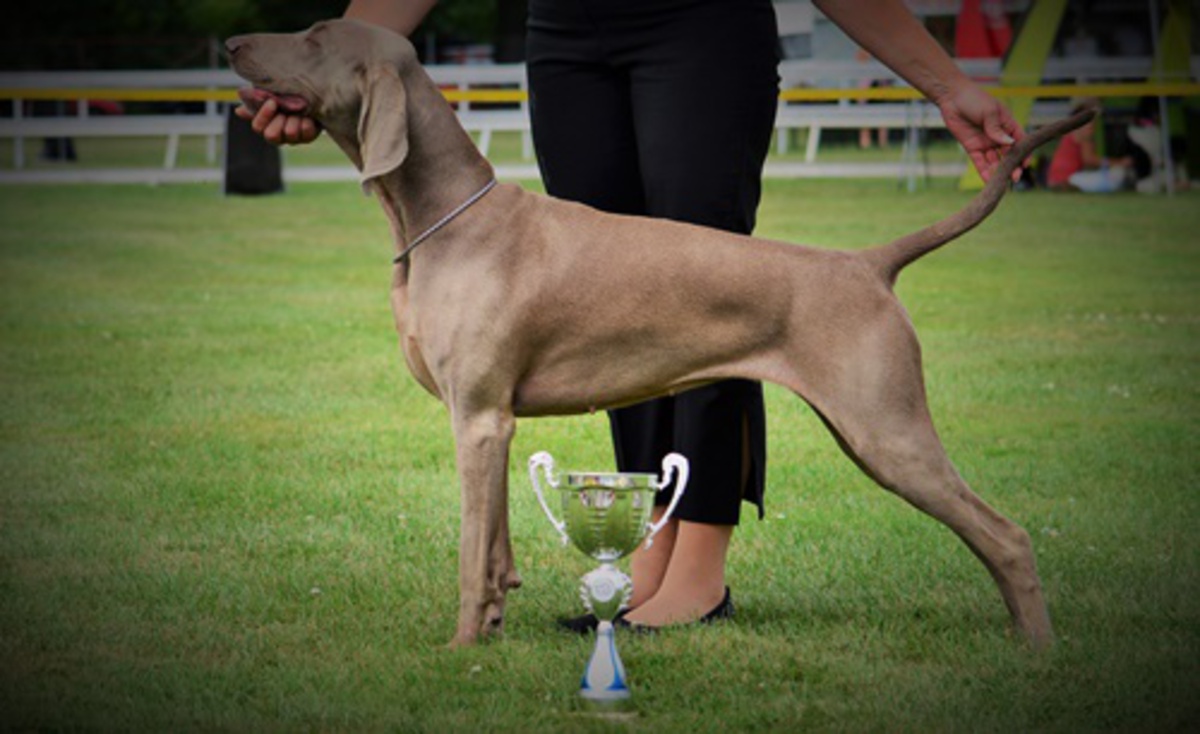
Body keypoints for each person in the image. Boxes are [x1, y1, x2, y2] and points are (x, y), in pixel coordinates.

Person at [237, 0, 1024, 631]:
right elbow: (372, 45)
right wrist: (324, 69)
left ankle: (699, 570)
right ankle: (645, 554)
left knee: (711, 298)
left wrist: (947, 83)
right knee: (613, 306)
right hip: (568, 35)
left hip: (702, 26)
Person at [1047, 98, 1131, 193]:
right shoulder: (1085, 129)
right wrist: (1120, 162)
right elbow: (1089, 160)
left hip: (1055, 180)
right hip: (1071, 179)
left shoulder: (1072, 128)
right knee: (1118, 173)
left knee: (1112, 173)